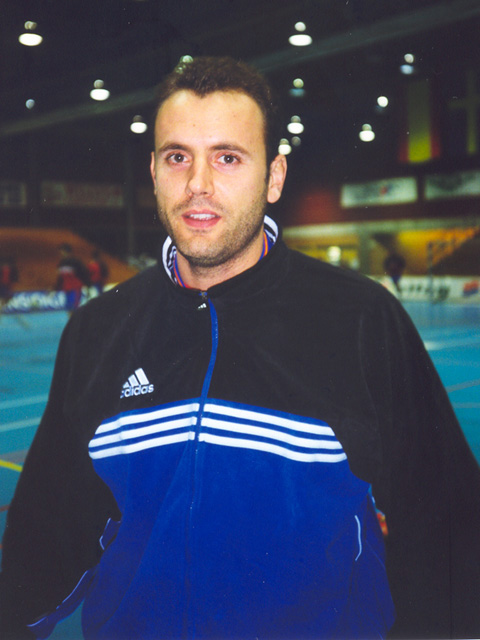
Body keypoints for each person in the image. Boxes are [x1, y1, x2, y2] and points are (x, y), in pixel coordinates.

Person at [1, 56, 480, 640]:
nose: (198, 184)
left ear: (274, 177)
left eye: (227, 157)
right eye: (178, 157)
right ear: (153, 172)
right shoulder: (97, 333)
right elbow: (46, 540)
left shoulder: (361, 319)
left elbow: (448, 531)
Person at [55, 243, 90, 314]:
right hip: (66, 289)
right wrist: (55, 288)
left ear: (65, 251)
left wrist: (87, 285)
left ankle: (77, 320)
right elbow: (60, 278)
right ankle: (72, 320)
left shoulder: (76, 262)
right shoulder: (61, 263)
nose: (60, 253)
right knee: (68, 308)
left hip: (75, 288)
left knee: (74, 307)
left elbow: (84, 273)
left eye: (61, 251)